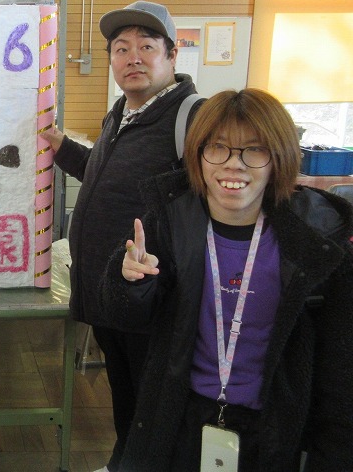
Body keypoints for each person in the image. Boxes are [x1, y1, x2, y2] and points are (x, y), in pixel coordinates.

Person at [102, 89, 353, 471]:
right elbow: (127, 317)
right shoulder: (171, 220)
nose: (234, 165)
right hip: (180, 420)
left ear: (279, 158)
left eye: (254, 150)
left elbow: (342, 372)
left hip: (276, 431)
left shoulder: (320, 239)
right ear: (198, 155)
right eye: (217, 148)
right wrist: (132, 282)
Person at [42, 0, 199, 472]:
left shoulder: (192, 117)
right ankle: (123, 460)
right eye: (121, 48)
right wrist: (61, 146)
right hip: (111, 293)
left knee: (156, 400)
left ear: (172, 56)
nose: (133, 58)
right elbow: (103, 174)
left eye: (146, 47)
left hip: (154, 296)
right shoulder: (120, 115)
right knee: (126, 390)